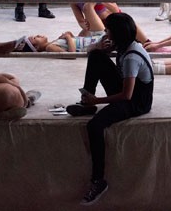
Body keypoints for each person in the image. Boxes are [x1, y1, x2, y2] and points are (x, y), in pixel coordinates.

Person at [66, 13, 154, 206]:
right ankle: (86, 103)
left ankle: (98, 180)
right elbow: (91, 52)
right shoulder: (124, 46)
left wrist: (98, 100)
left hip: (136, 102)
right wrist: (100, 47)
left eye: (108, 30)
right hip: (127, 91)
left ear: (117, 33)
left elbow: (126, 96)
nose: (105, 33)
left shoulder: (131, 56)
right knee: (96, 56)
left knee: (95, 126)